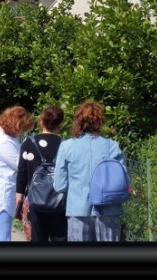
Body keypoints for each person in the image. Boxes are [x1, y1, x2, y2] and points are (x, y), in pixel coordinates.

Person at [53, 100, 127, 242]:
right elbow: (124, 181)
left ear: (78, 121)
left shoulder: (67, 147)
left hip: (78, 209)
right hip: (109, 209)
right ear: (100, 121)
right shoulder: (112, 146)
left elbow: (59, 185)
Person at [0, 105, 34, 241]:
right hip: (1, 193)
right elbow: (21, 165)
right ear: (16, 125)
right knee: (3, 238)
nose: (22, 133)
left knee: (1, 235)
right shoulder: (3, 142)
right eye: (22, 129)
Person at [16, 105, 67, 242]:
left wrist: (19, 204)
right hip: (60, 204)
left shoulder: (29, 143)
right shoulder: (65, 145)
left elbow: (22, 174)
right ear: (60, 124)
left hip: (35, 204)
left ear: (41, 122)